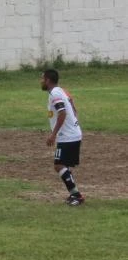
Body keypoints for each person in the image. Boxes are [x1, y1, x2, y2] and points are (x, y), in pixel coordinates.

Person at [41, 69, 85, 206]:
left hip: (67, 136)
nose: (41, 81)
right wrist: (74, 121)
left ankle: (76, 195)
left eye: (42, 78)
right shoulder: (61, 90)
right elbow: (71, 104)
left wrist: (53, 134)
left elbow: (62, 113)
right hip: (72, 133)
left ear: (48, 80)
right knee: (63, 165)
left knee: (59, 165)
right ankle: (74, 194)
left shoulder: (55, 94)